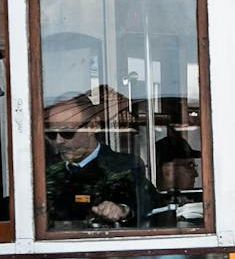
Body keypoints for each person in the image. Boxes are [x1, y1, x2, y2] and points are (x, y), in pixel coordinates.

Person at [42, 91, 155, 229]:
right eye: (52, 134)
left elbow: (149, 203)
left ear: (93, 125)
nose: (59, 141)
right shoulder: (44, 169)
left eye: (67, 132)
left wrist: (123, 210)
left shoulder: (124, 166)